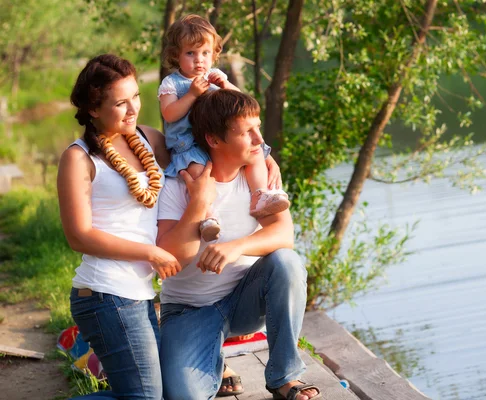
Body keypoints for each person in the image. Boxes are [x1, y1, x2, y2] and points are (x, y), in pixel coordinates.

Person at [156, 89, 322, 400]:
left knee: (286, 262)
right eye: (247, 132)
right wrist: (199, 203)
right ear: (214, 140)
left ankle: (283, 378)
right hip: (188, 310)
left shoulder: (260, 178)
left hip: (245, 300)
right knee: (181, 396)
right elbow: (168, 258)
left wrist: (235, 247)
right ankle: (213, 364)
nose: (260, 139)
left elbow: (284, 235)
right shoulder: (178, 184)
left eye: (258, 127)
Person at [57, 54, 181, 399]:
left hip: (139, 293)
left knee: (165, 393)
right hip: (103, 292)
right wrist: (149, 251)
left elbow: (197, 155)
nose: (133, 109)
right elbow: (78, 236)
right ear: (93, 109)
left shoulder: (150, 140)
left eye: (136, 97)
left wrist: (264, 156)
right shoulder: (79, 158)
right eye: (120, 103)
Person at [159, 14, 289, 242]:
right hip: (188, 145)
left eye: (205, 53)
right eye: (190, 53)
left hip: (218, 142)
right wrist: (191, 94)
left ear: (214, 54)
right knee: (199, 175)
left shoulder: (214, 77)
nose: (199, 60)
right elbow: (169, 114)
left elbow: (243, 107)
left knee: (256, 157)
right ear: (175, 55)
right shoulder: (172, 83)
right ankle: (207, 216)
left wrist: (225, 85)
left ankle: (260, 195)